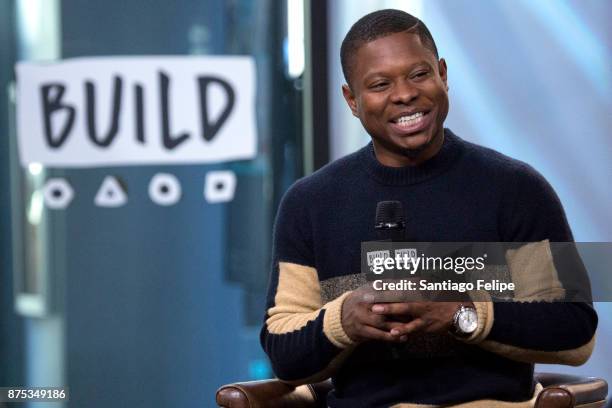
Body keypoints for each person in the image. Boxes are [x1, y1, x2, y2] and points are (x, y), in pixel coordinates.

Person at [260, 9, 597, 408]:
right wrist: (344, 319)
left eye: (419, 74)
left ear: (443, 74)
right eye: (380, 83)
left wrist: (458, 314)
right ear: (352, 99)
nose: (404, 94)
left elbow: (575, 332)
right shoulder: (310, 203)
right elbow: (284, 351)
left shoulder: (516, 188)